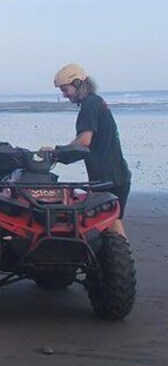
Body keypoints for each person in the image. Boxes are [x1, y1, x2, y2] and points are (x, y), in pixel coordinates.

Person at [52, 63, 131, 237]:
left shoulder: (89, 105)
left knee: (110, 225)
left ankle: (122, 262)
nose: (65, 95)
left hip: (108, 178)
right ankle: (120, 260)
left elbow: (84, 141)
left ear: (78, 83)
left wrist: (56, 154)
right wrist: (64, 151)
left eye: (66, 90)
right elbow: (83, 140)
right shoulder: (97, 102)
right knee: (113, 223)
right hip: (117, 174)